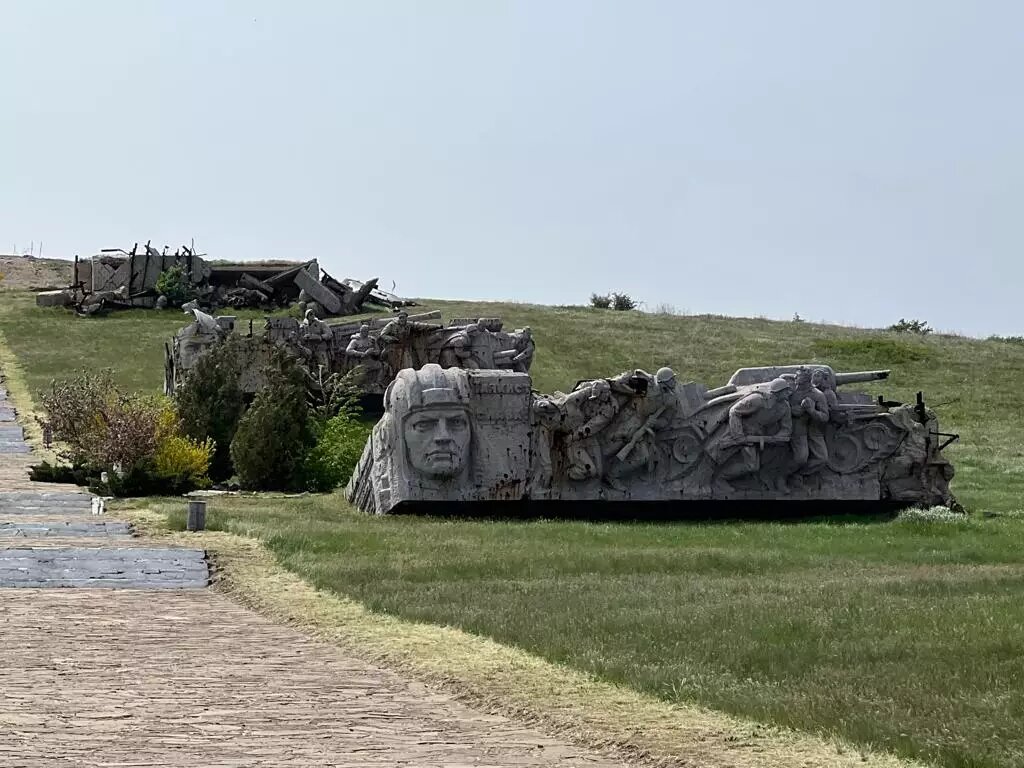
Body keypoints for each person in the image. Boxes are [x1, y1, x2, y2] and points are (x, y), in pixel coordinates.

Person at [788, 367, 830, 476]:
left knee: (822, 459)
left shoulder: (817, 395)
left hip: (813, 430)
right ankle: (784, 475)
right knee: (801, 458)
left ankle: (800, 475)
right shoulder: (790, 391)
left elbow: (825, 416)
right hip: (797, 428)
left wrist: (812, 411)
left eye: (798, 376)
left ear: (806, 379)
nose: (795, 377)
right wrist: (795, 410)